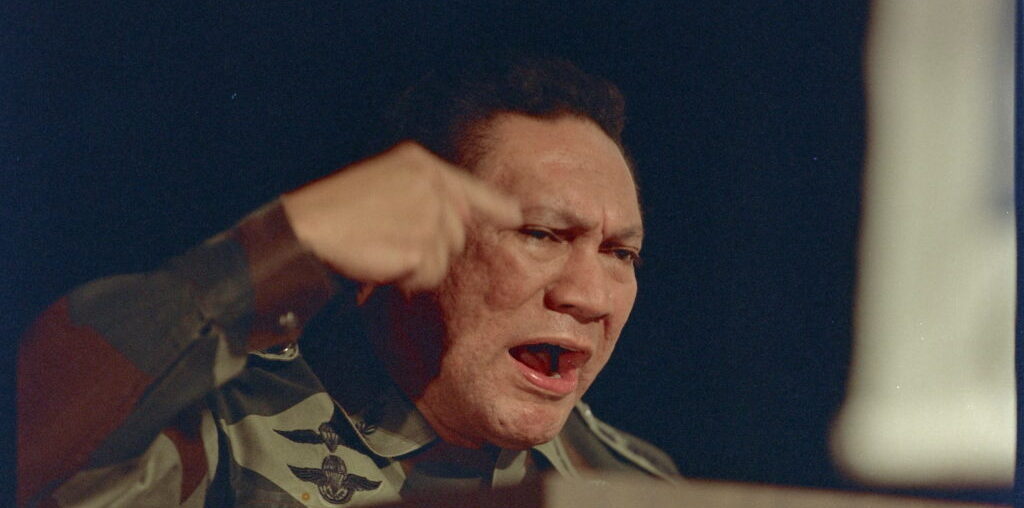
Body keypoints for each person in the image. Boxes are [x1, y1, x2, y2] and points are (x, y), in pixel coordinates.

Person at [17, 56, 679, 507]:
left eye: (622, 253)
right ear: (402, 237)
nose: (590, 297)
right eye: (541, 235)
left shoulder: (637, 484)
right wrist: (279, 247)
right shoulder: (218, 428)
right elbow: (35, 448)